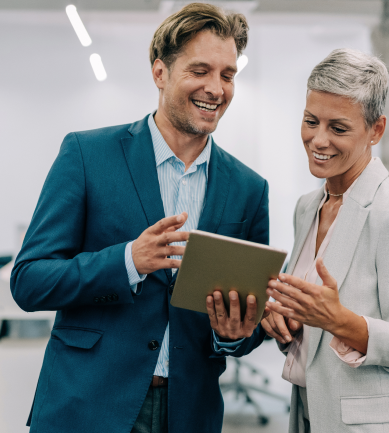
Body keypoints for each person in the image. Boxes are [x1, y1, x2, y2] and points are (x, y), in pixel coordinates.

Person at [10, 4, 268, 433]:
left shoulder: (248, 188)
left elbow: (249, 323)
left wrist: (235, 333)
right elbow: (30, 280)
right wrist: (128, 260)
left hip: (188, 414)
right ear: (160, 73)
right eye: (199, 70)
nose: (216, 88)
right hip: (87, 406)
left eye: (228, 74)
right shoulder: (87, 155)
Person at [261, 48, 389, 432]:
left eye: (338, 128)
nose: (318, 140)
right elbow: (312, 324)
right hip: (310, 414)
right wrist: (284, 321)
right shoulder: (308, 207)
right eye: (310, 121)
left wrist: (342, 322)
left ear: (376, 130)